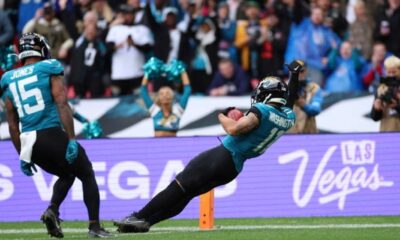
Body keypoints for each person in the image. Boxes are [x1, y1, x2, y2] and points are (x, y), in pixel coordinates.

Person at [113, 60, 304, 233]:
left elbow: (234, 129)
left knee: (178, 186)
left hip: (223, 155)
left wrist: (222, 115)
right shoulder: (288, 117)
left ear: (267, 93)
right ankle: (146, 223)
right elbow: (290, 100)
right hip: (233, 168)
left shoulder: (262, 110)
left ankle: (138, 216)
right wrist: (294, 76)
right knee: (186, 195)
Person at [0, 33, 111, 238]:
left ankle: (52, 210)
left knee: (67, 174)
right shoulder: (48, 66)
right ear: (41, 48)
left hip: (29, 141)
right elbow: (61, 102)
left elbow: (13, 124)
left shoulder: (7, 78)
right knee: (86, 171)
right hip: (50, 132)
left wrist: (22, 155)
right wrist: (71, 139)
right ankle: (94, 227)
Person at [140, 62, 191, 137]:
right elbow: (143, 91)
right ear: (159, 97)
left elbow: (187, 90)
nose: (165, 96)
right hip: (157, 146)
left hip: (173, 146)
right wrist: (147, 73)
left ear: (172, 96)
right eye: (162, 94)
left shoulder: (177, 111)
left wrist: (182, 70)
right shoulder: (155, 111)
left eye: (167, 93)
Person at [287, 61, 323, 134]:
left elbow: (316, 109)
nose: (298, 74)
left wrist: (303, 105)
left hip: (308, 133)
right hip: (287, 135)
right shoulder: (283, 87)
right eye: (294, 72)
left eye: (301, 71)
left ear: (306, 71)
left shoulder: (314, 88)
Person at [370, 55, 400, 131]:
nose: (391, 75)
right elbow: (375, 118)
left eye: (394, 72)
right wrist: (377, 109)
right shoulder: (381, 89)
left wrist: (396, 105)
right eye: (389, 72)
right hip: (387, 131)